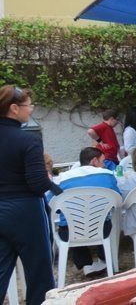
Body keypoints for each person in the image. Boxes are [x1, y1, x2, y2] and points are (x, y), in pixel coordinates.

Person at [0, 85, 60, 304]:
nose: (31, 109)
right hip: (26, 211)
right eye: (28, 105)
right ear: (14, 109)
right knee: (39, 273)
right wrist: (49, 182)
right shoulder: (28, 140)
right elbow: (37, 184)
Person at [51, 147, 122, 277]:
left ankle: (85, 264)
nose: (104, 164)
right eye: (102, 161)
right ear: (94, 161)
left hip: (70, 232)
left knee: (70, 221)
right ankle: (103, 259)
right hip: (101, 229)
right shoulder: (108, 175)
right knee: (104, 216)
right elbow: (117, 200)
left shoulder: (61, 179)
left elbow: (52, 203)